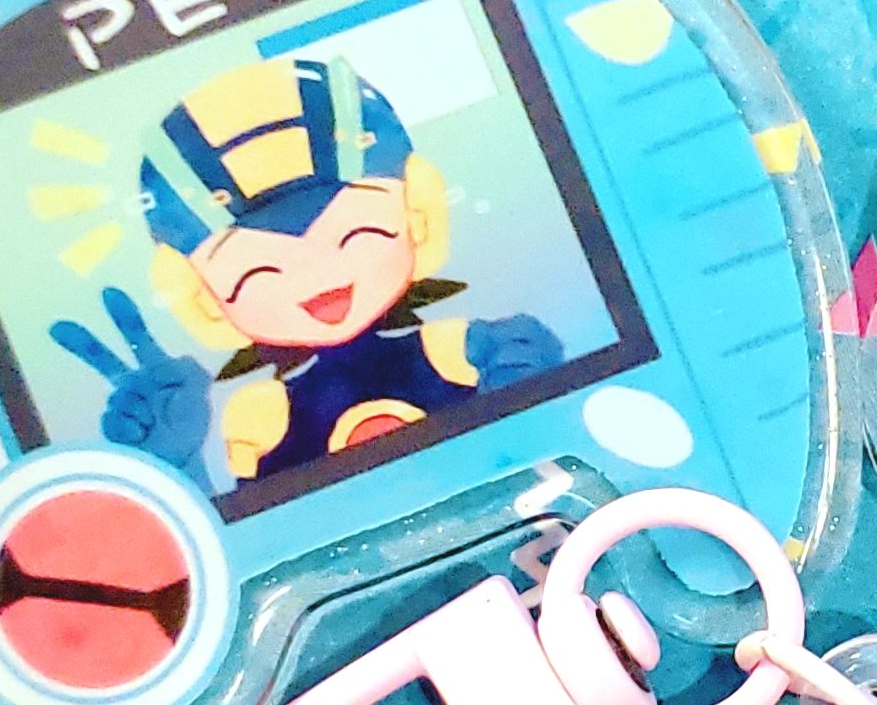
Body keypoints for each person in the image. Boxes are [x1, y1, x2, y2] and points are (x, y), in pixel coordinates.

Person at [52, 52, 561, 486]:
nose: (316, 272)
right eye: (259, 273)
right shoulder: (261, 419)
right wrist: (178, 471)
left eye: (359, 236)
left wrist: (527, 392)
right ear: (201, 298)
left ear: (418, 217)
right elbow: (259, 540)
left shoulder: (456, 350)